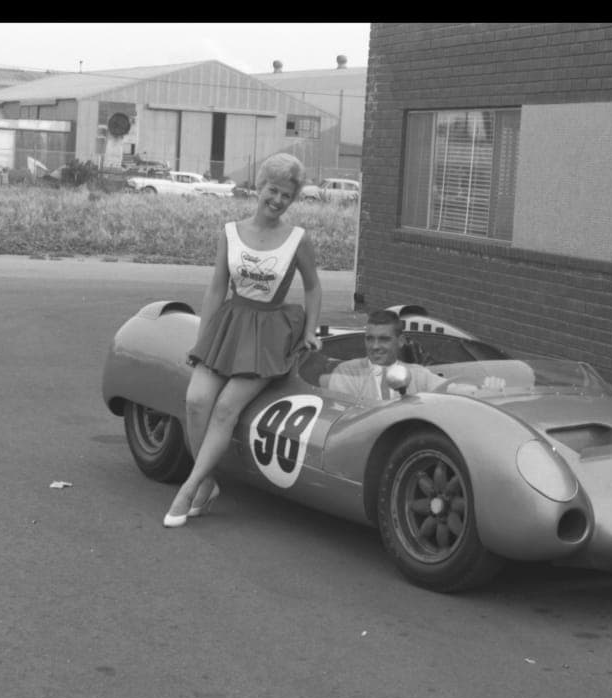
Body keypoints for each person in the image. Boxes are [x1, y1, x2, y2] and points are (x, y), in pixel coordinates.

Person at [163, 153, 322, 528]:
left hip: (270, 334)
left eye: (287, 195)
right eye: (273, 190)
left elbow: (313, 288)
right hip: (230, 326)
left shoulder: (297, 239)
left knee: (225, 410)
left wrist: (311, 330)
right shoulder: (230, 231)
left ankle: (189, 488)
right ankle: (207, 484)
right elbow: (217, 288)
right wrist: (201, 342)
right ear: (259, 186)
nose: (278, 200)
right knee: (196, 400)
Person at [328, 309, 505, 403]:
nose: (375, 346)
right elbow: (345, 419)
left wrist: (485, 390)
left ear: (401, 341)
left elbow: (450, 390)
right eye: (370, 339)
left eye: (384, 339)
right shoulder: (347, 372)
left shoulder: (418, 374)